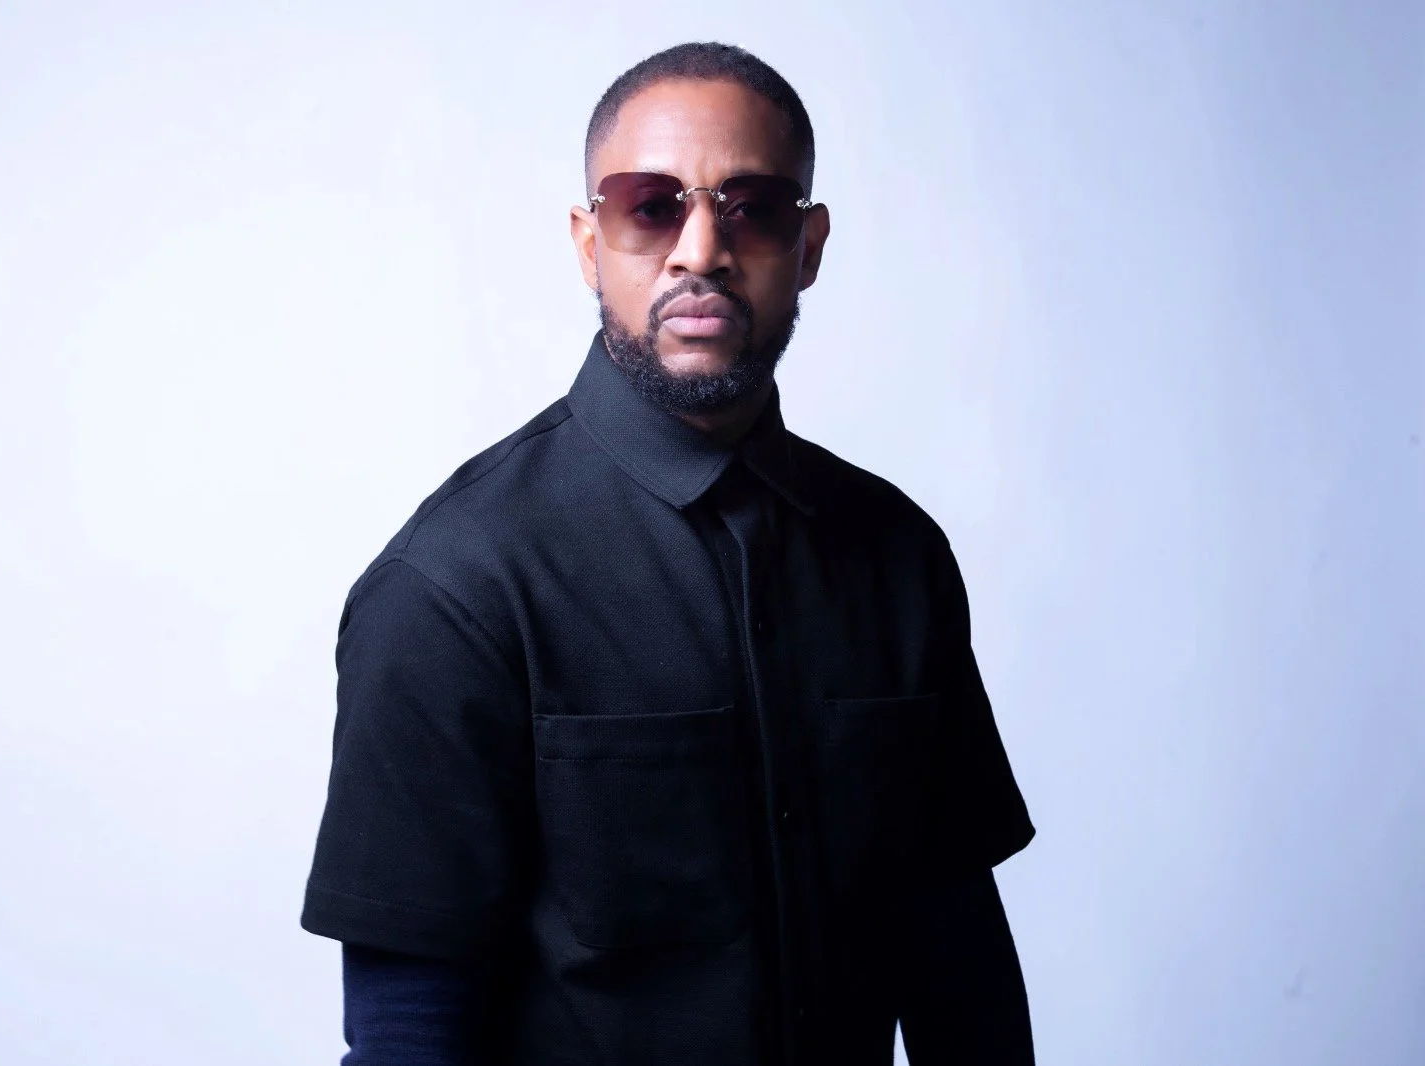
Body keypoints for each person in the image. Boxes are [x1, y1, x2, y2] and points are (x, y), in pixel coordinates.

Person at [301, 40, 1037, 1066]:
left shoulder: (897, 555)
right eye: (650, 206)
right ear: (588, 243)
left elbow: (958, 953)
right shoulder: (454, 583)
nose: (701, 251)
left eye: (753, 209)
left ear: (810, 245)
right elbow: (407, 1032)